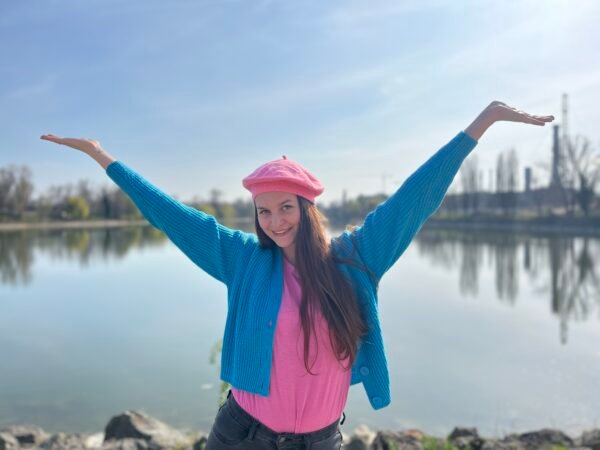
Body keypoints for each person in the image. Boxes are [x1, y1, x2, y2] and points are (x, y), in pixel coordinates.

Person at [40, 101, 554, 449]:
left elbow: (412, 202)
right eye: (263, 211)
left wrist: (480, 125)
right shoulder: (244, 259)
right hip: (242, 432)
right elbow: (173, 216)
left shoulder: (355, 258)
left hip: (320, 439)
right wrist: (103, 157)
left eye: (285, 207)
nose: (274, 221)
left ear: (306, 207)